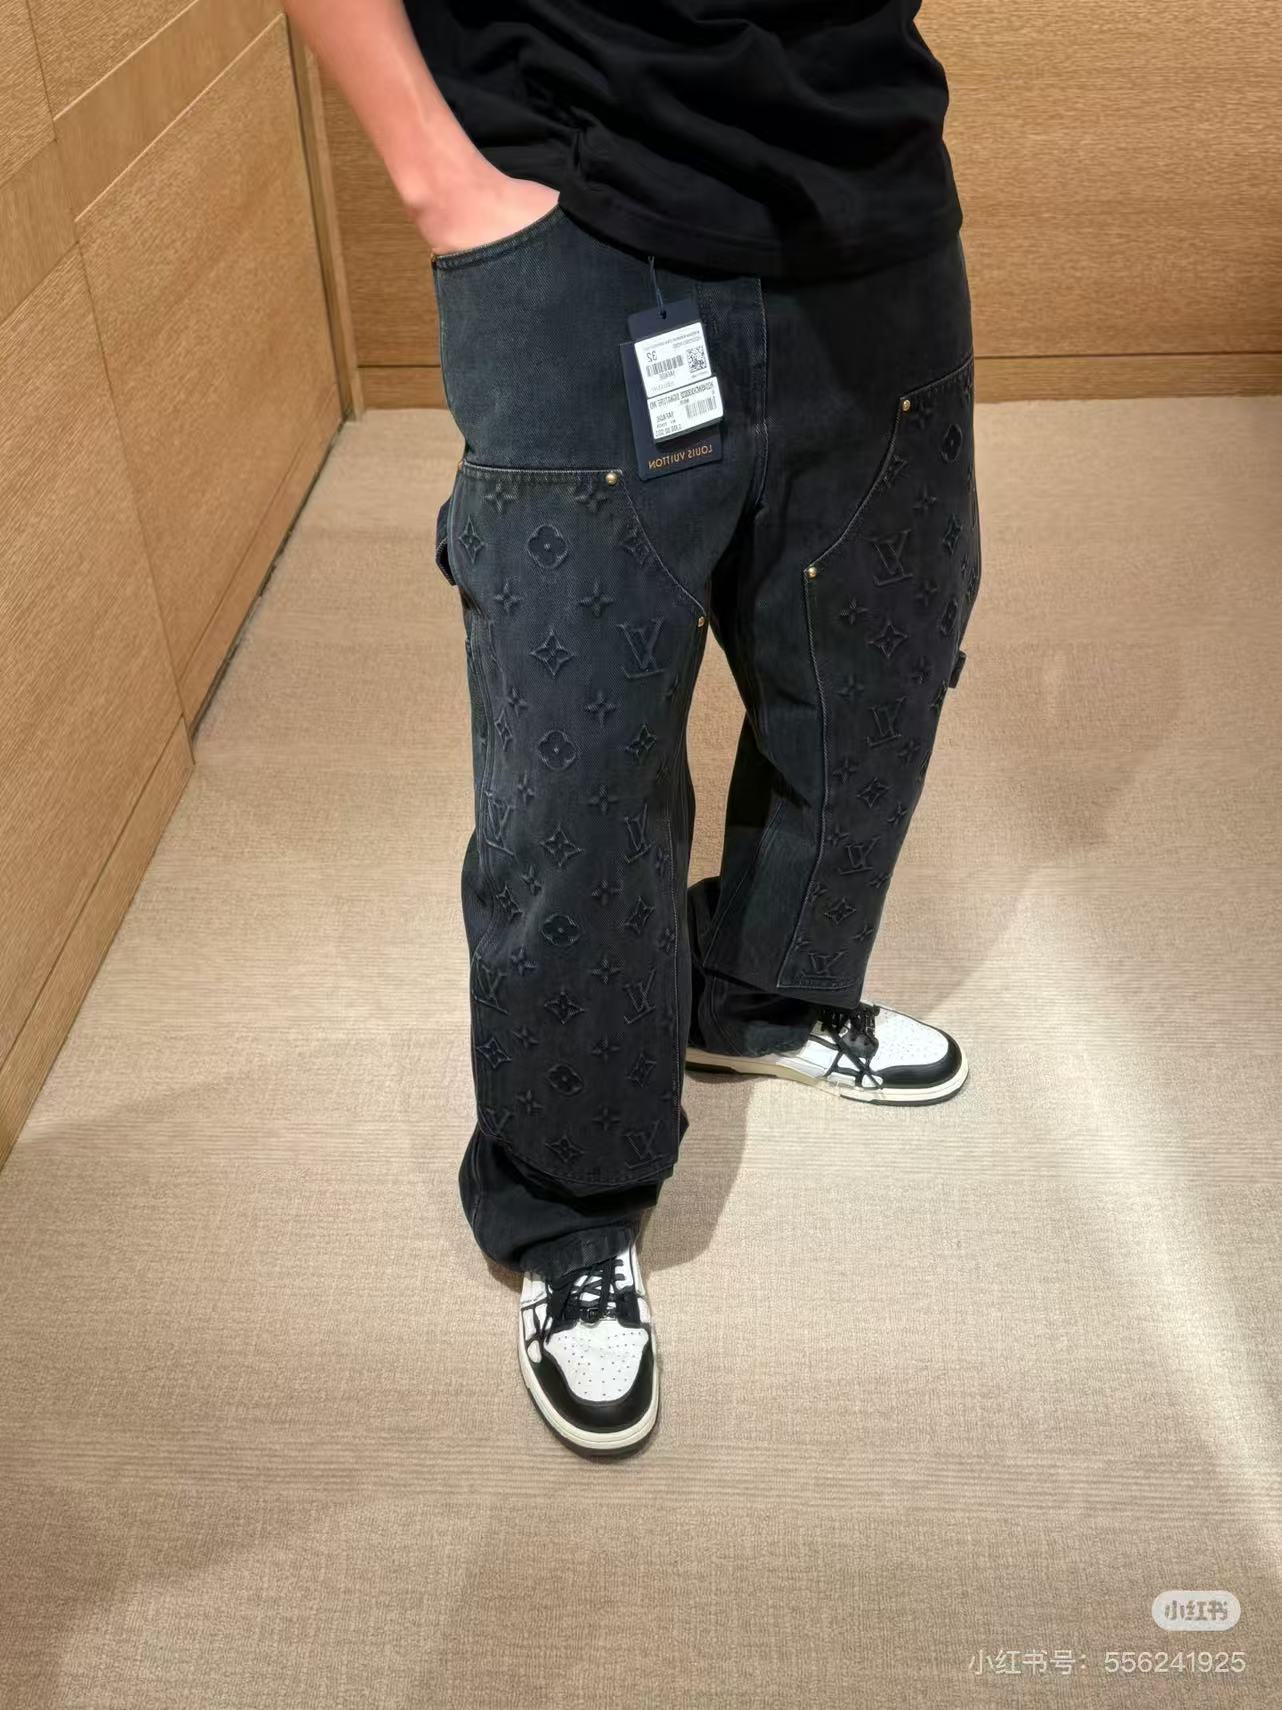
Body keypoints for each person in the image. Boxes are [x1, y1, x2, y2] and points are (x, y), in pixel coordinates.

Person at [284, 0, 981, 1455]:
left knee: (881, 667)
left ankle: (762, 992)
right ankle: (569, 1193)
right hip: (571, 210)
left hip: (875, 195)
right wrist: (440, 179)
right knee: (575, 761)